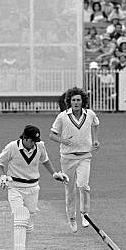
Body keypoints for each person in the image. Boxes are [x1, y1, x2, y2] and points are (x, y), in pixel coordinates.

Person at [0, 125, 68, 250]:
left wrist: (54, 174)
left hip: (33, 188)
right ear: (25, 138)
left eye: (36, 141)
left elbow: (45, 160)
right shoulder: (12, 147)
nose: (34, 143)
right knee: (21, 218)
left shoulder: (39, 146)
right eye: (32, 141)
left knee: (28, 226)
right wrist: (2, 176)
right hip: (15, 187)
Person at [49, 87, 100, 233]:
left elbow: (96, 123)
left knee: (83, 186)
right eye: (73, 100)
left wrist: (95, 140)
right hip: (67, 158)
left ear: (83, 101)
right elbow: (52, 135)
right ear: (69, 102)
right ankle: (72, 218)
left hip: (85, 156)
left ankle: (85, 214)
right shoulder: (63, 116)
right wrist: (63, 140)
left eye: (78, 100)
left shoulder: (89, 114)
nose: (76, 103)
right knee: (69, 190)